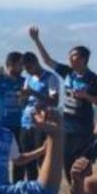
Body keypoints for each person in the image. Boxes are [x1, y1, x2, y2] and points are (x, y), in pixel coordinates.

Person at [29, 26, 97, 176]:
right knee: (66, 162)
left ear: (83, 59)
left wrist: (86, 96)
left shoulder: (93, 79)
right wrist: (36, 40)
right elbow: (47, 61)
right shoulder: (68, 72)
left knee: (81, 164)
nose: (69, 58)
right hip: (67, 126)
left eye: (73, 56)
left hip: (83, 129)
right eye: (69, 56)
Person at [17, 52, 60, 181]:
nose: (28, 72)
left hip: (41, 123)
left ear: (36, 62)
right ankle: (31, 189)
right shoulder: (28, 79)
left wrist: (33, 92)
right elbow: (24, 101)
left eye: (29, 68)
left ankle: (44, 188)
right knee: (28, 159)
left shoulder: (50, 78)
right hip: (26, 122)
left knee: (42, 159)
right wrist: (22, 97)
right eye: (25, 69)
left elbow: (54, 101)